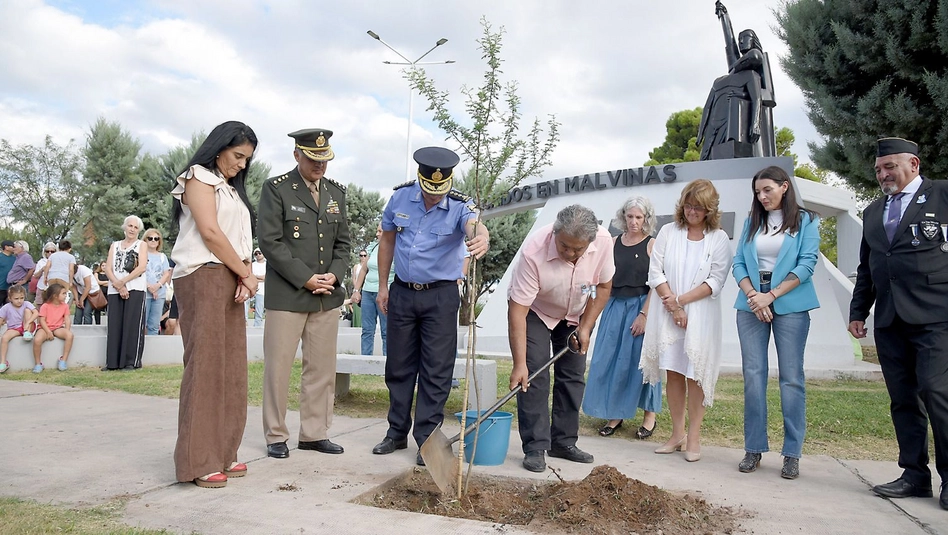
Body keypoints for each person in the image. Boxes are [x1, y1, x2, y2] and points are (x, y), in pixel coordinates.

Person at [372, 146, 489, 465]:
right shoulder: (400, 198)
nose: (435, 195)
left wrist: (482, 236)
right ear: (420, 179)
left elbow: (474, 225)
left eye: (440, 190)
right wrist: (382, 285)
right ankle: (396, 432)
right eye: (429, 189)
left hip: (440, 296)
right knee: (398, 366)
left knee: (436, 369)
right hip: (403, 292)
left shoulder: (461, 205)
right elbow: (387, 240)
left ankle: (427, 440)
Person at [849, 137, 948, 509]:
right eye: (878, 169)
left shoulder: (942, 195)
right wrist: (858, 311)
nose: (883, 175)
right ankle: (914, 475)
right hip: (890, 319)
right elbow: (868, 266)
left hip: (936, 315)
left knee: (936, 392)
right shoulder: (873, 211)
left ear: (914, 164)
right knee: (903, 399)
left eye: (889, 166)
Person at [170, 120, 257, 488]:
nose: (241, 164)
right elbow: (210, 233)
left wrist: (243, 274)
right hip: (203, 275)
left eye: (247, 159)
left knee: (231, 369)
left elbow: (238, 238)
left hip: (230, 275)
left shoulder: (231, 190)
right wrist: (246, 273)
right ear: (219, 147)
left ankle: (223, 452)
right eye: (237, 155)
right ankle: (198, 460)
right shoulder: (197, 178)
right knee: (205, 368)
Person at [258, 128, 350, 459]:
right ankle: (276, 434)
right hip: (288, 296)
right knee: (278, 368)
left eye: (324, 159)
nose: (319, 165)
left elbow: (343, 244)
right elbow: (270, 241)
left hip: (326, 296)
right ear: (297, 155)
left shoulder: (336, 193)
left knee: (322, 370)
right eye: (313, 158)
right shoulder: (277, 189)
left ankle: (314, 433)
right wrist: (306, 278)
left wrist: (334, 276)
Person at [507, 204, 613, 472]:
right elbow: (518, 311)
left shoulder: (603, 241)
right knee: (534, 375)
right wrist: (520, 364)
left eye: (578, 249)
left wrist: (586, 327)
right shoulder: (533, 251)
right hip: (536, 311)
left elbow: (601, 287)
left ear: (589, 242)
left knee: (572, 375)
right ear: (555, 233)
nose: (570, 254)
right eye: (564, 246)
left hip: (576, 311)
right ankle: (535, 447)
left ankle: (563, 442)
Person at [732, 166, 820, 480]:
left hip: (791, 304)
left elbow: (807, 263)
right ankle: (753, 448)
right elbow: (739, 263)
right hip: (751, 304)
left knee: (791, 378)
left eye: (767, 189)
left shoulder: (807, 220)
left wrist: (771, 296)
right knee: (753, 376)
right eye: (758, 192)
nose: (762, 196)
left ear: (784, 187)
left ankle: (791, 453)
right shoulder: (751, 222)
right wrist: (754, 296)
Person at [640, 179, 732, 462]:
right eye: (688, 206)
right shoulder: (669, 231)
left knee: (696, 375)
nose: (692, 212)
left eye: (698, 208)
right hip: (668, 315)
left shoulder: (719, 238)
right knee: (674, 373)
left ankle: (694, 437)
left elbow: (716, 280)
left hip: (700, 317)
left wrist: (681, 301)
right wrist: (674, 306)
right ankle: (677, 433)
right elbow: (656, 272)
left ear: (710, 210)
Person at [582, 197, 661, 440]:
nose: (634, 221)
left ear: (646, 219)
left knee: (643, 363)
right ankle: (615, 415)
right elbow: (598, 278)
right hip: (614, 306)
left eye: (639, 217)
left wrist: (644, 315)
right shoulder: (613, 243)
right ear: (623, 217)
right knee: (609, 361)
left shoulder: (652, 245)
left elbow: (657, 285)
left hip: (641, 307)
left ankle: (649, 416)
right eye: (630, 216)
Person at [103, 216, 148, 371]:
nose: (132, 229)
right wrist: (118, 284)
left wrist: (123, 282)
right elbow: (108, 268)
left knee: (132, 325)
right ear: (125, 227)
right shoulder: (114, 245)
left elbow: (141, 267)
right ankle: (112, 362)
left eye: (135, 227)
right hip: (114, 289)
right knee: (114, 325)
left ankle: (130, 361)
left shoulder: (141, 245)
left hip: (135, 288)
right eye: (130, 226)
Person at [351, 225, 394, 356]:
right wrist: (356, 290)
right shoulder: (373, 247)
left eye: (380, 231)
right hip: (367, 292)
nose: (377, 234)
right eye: (377, 231)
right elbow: (364, 270)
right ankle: (365, 359)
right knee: (367, 330)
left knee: (386, 331)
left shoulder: (396, 249)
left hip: (385, 294)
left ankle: (387, 361)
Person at [32, 283, 74, 373]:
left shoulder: (65, 306)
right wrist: (48, 331)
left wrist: (66, 330)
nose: (65, 296)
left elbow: (67, 319)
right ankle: (38, 363)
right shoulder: (45, 306)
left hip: (57, 328)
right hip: (44, 328)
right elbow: (42, 320)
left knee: (70, 335)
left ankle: (63, 360)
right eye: (63, 293)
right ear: (55, 296)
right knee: (37, 340)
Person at [0, 285, 38, 373]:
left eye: (22, 298)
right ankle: (3, 362)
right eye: (16, 298)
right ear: (10, 298)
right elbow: (1, 319)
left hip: (27, 326)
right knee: (4, 338)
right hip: (14, 328)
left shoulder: (26, 304)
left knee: (27, 310)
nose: (19, 301)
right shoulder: (6, 307)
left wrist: (28, 322)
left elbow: (36, 313)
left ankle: (27, 332)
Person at [143, 229, 172, 335]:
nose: (153, 240)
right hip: (144, 292)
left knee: (154, 324)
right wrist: (149, 287)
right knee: (142, 323)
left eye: (156, 239)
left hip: (159, 294)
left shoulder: (162, 256)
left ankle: (153, 343)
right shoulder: (141, 255)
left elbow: (166, 274)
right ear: (145, 240)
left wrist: (157, 286)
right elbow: (139, 273)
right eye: (150, 238)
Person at [244, 249, 266, 327]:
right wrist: (259, 278)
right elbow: (249, 276)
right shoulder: (252, 265)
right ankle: (244, 322)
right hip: (251, 288)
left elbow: (266, 277)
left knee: (259, 309)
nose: (258, 255)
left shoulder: (267, 265)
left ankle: (257, 326)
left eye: (259, 253)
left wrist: (255, 277)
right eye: (256, 254)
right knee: (245, 304)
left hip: (262, 290)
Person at [0, 240, 15, 305]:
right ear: (6, 247)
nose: (14, 248)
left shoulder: (15, 258)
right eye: (12, 246)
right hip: (1, 287)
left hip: (11, 288)